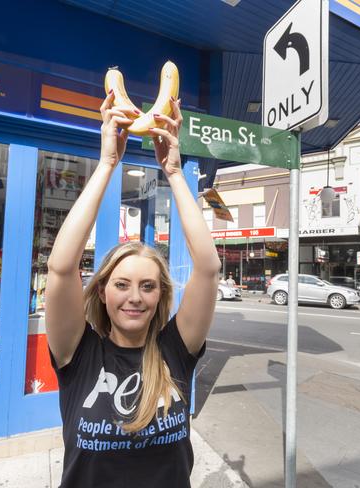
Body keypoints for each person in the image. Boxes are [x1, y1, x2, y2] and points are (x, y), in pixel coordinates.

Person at [44, 93, 220, 488]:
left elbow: (208, 269)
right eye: (121, 285)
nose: (135, 297)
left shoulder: (177, 349)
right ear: (102, 291)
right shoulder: (79, 352)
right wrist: (108, 163)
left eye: (148, 286)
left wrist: (174, 172)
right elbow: (60, 267)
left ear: (160, 295)